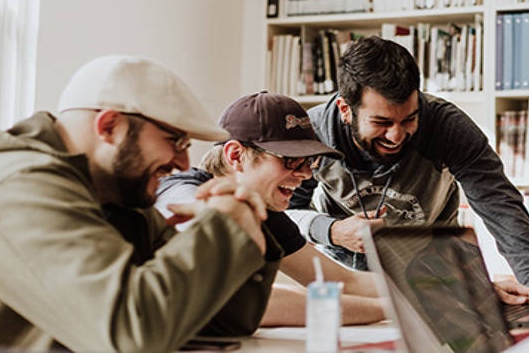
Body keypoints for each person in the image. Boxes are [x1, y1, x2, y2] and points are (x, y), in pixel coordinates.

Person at [0, 55, 280, 351]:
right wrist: (223, 228)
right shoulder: (19, 187)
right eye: (175, 140)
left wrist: (244, 226)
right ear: (110, 126)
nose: (184, 164)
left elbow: (219, 323)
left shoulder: (115, 197)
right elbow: (129, 335)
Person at [287, 36, 529, 295]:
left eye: (409, 119)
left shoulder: (448, 127)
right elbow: (284, 214)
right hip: (345, 277)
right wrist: (332, 231)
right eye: (381, 123)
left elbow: (502, 209)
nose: (396, 136)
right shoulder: (313, 133)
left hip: (434, 273)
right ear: (346, 109)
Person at [155, 91, 386, 326]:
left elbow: (342, 281)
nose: (306, 175)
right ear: (236, 155)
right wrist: (391, 310)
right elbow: (244, 300)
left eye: (308, 162)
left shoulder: (263, 211)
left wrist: (418, 290)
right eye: (291, 160)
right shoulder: (179, 193)